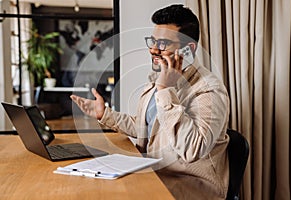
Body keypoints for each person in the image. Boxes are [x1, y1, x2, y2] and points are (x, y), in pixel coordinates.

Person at [71, 4, 230, 200]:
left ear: (188, 50)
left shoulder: (209, 90)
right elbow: (146, 128)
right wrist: (105, 114)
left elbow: (192, 150)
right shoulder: (161, 78)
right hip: (154, 173)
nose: (153, 50)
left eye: (163, 43)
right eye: (153, 41)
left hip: (194, 186)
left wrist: (165, 90)